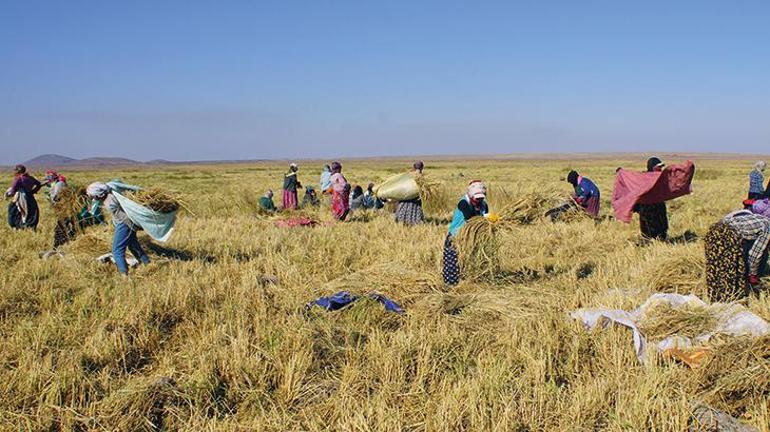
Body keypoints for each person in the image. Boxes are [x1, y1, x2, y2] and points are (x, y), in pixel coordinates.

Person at [705, 210, 770, 301]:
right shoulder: (768, 228)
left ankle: (715, 297)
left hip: (714, 231)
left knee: (716, 269)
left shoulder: (757, 217)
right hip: (730, 235)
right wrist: (753, 275)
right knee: (733, 272)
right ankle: (736, 296)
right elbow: (755, 255)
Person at [86, 182, 150, 275]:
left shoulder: (109, 202)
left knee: (117, 250)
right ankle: (147, 263)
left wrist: (133, 227)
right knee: (133, 246)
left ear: (99, 195)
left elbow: (122, 217)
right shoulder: (111, 188)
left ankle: (124, 273)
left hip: (124, 224)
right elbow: (125, 186)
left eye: (94, 196)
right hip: (126, 223)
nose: (93, 198)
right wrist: (140, 189)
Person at [443, 181, 489, 286]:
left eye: (481, 198)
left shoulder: (484, 205)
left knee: (471, 259)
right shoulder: (463, 203)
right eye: (476, 198)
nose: (479, 200)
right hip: (456, 236)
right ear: (470, 195)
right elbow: (470, 217)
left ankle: (469, 282)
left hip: (473, 237)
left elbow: (486, 217)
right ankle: (451, 285)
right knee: (453, 261)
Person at [634, 157, 669, 241]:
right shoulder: (644, 178)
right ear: (652, 167)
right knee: (648, 228)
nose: (660, 169)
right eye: (658, 167)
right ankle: (649, 242)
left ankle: (660, 241)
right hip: (646, 208)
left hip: (659, 206)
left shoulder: (661, 178)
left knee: (661, 226)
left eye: (661, 167)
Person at [5, 164, 42, 230]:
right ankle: (30, 227)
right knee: (31, 212)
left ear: (17, 171)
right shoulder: (30, 178)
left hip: (20, 198)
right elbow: (39, 184)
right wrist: (33, 191)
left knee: (15, 211)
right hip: (30, 197)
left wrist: (8, 195)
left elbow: (13, 189)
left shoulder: (19, 179)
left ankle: (19, 227)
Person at [394, 161, 425, 225]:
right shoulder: (420, 176)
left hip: (406, 196)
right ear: (422, 168)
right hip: (415, 198)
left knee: (404, 207)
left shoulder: (409, 174)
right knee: (414, 208)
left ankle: (402, 220)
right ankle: (414, 222)